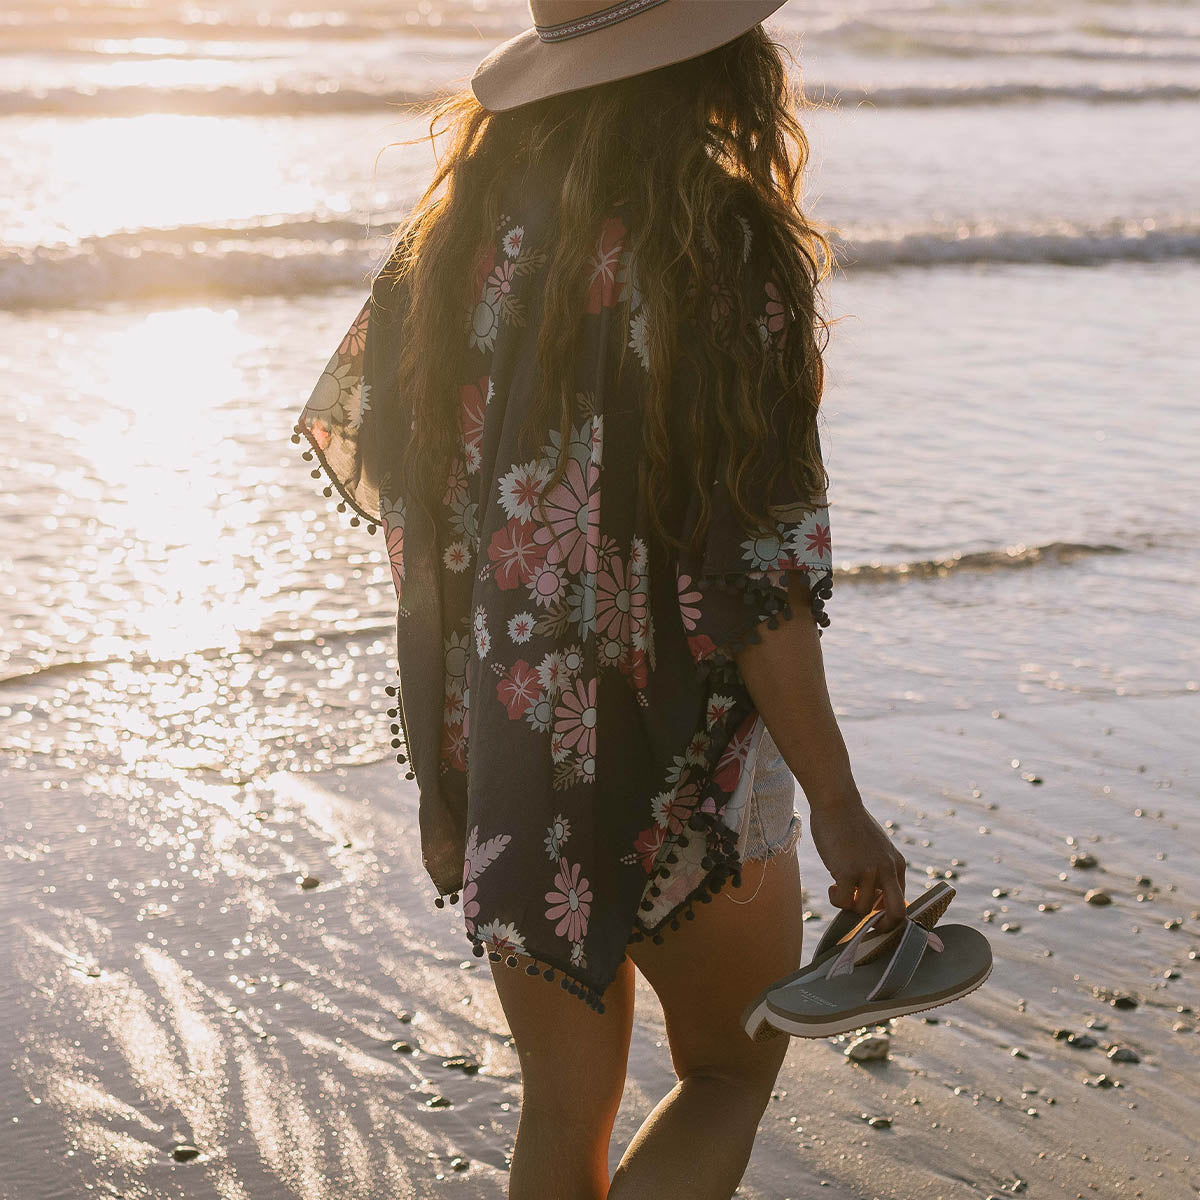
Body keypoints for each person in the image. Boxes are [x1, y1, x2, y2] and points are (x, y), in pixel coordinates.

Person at [294, 2, 908, 1196]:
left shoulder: (455, 248)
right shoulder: (724, 248)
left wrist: (444, 774)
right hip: (687, 765)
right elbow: (757, 570)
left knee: (558, 1117)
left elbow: (419, 532)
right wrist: (838, 802)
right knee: (729, 1077)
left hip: (515, 750)